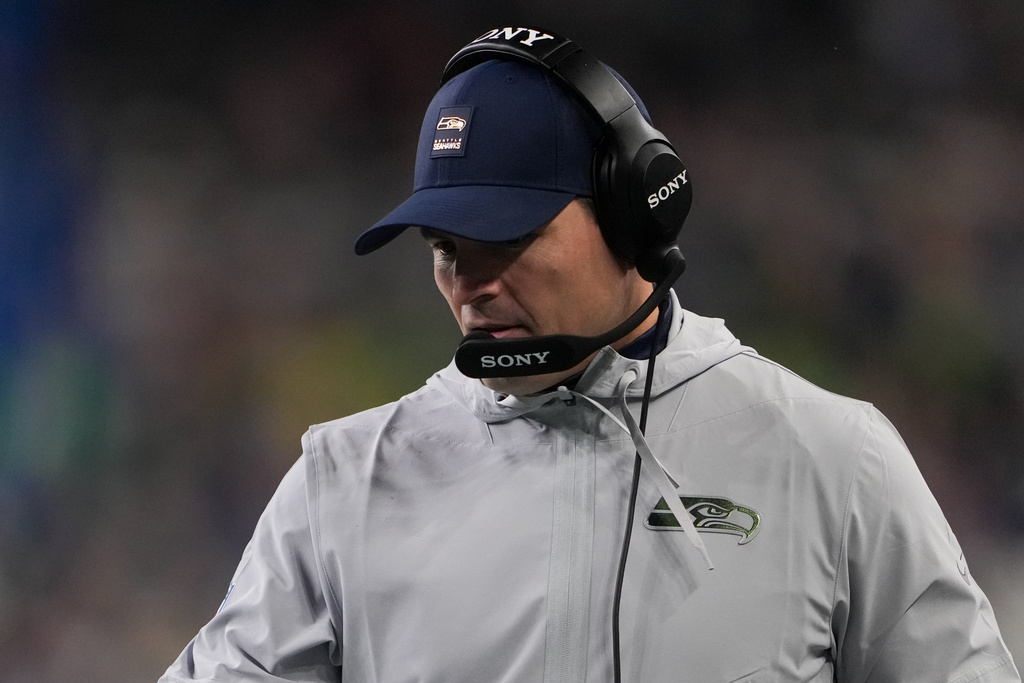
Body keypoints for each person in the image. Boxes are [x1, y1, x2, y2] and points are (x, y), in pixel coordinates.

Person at [159, 27, 1020, 683]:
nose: (471, 284)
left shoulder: (834, 460)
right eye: (445, 247)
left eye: (507, 237)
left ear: (634, 209)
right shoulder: (343, 483)